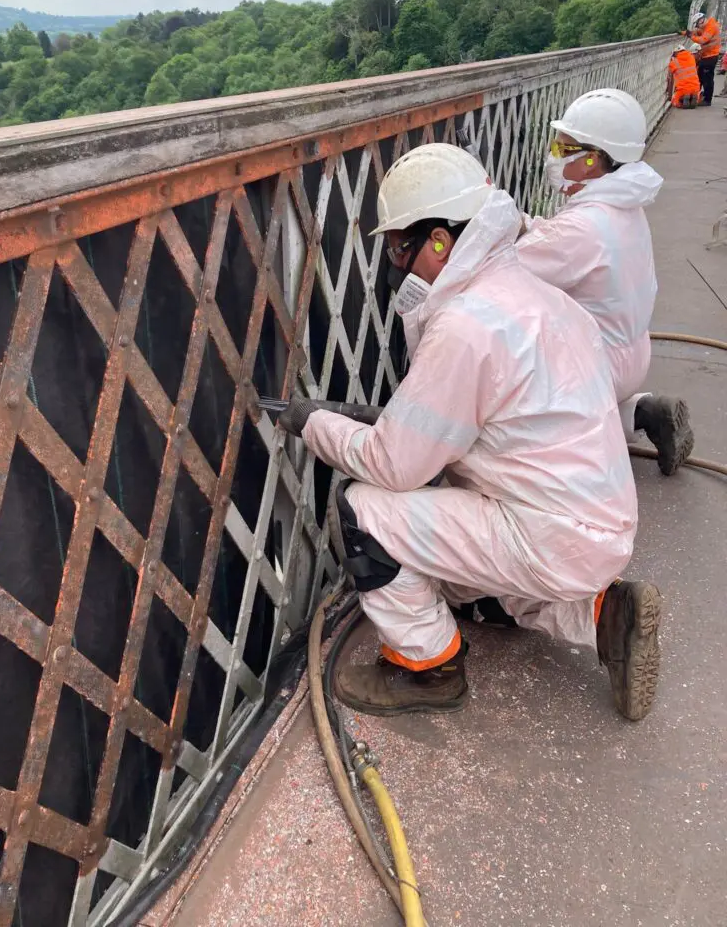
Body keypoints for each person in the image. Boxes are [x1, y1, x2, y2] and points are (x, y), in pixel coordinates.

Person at [279, 143, 662, 722]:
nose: (399, 265)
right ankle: (603, 615)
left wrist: (315, 424)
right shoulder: (536, 296)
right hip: (597, 522)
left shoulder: (465, 324)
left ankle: (427, 668)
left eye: (401, 248)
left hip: (548, 532)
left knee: (363, 510)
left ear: (441, 240)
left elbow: (395, 466)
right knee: (458, 587)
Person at [516, 88, 694, 476]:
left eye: (563, 150)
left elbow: (507, 270)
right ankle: (642, 412)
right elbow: (566, 243)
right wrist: (526, 224)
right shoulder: (619, 206)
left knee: (506, 387)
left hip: (598, 366)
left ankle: (565, 452)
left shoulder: (583, 227)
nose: (553, 156)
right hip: (630, 351)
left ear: (593, 160)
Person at [689, 12, 721, 106]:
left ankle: (707, 100)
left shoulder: (711, 27)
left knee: (707, 79)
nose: (698, 26)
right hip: (707, 55)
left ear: (701, 20)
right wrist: (685, 33)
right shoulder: (707, 27)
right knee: (700, 76)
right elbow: (697, 32)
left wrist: (691, 36)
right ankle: (697, 96)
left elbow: (703, 39)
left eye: (697, 24)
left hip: (711, 56)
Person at [667, 43, 701, 109]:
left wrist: (670, 96)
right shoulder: (692, 58)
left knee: (675, 102)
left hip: (683, 89)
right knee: (693, 91)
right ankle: (694, 97)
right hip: (695, 87)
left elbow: (670, 80)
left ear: (676, 52)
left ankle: (682, 99)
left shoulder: (674, 62)